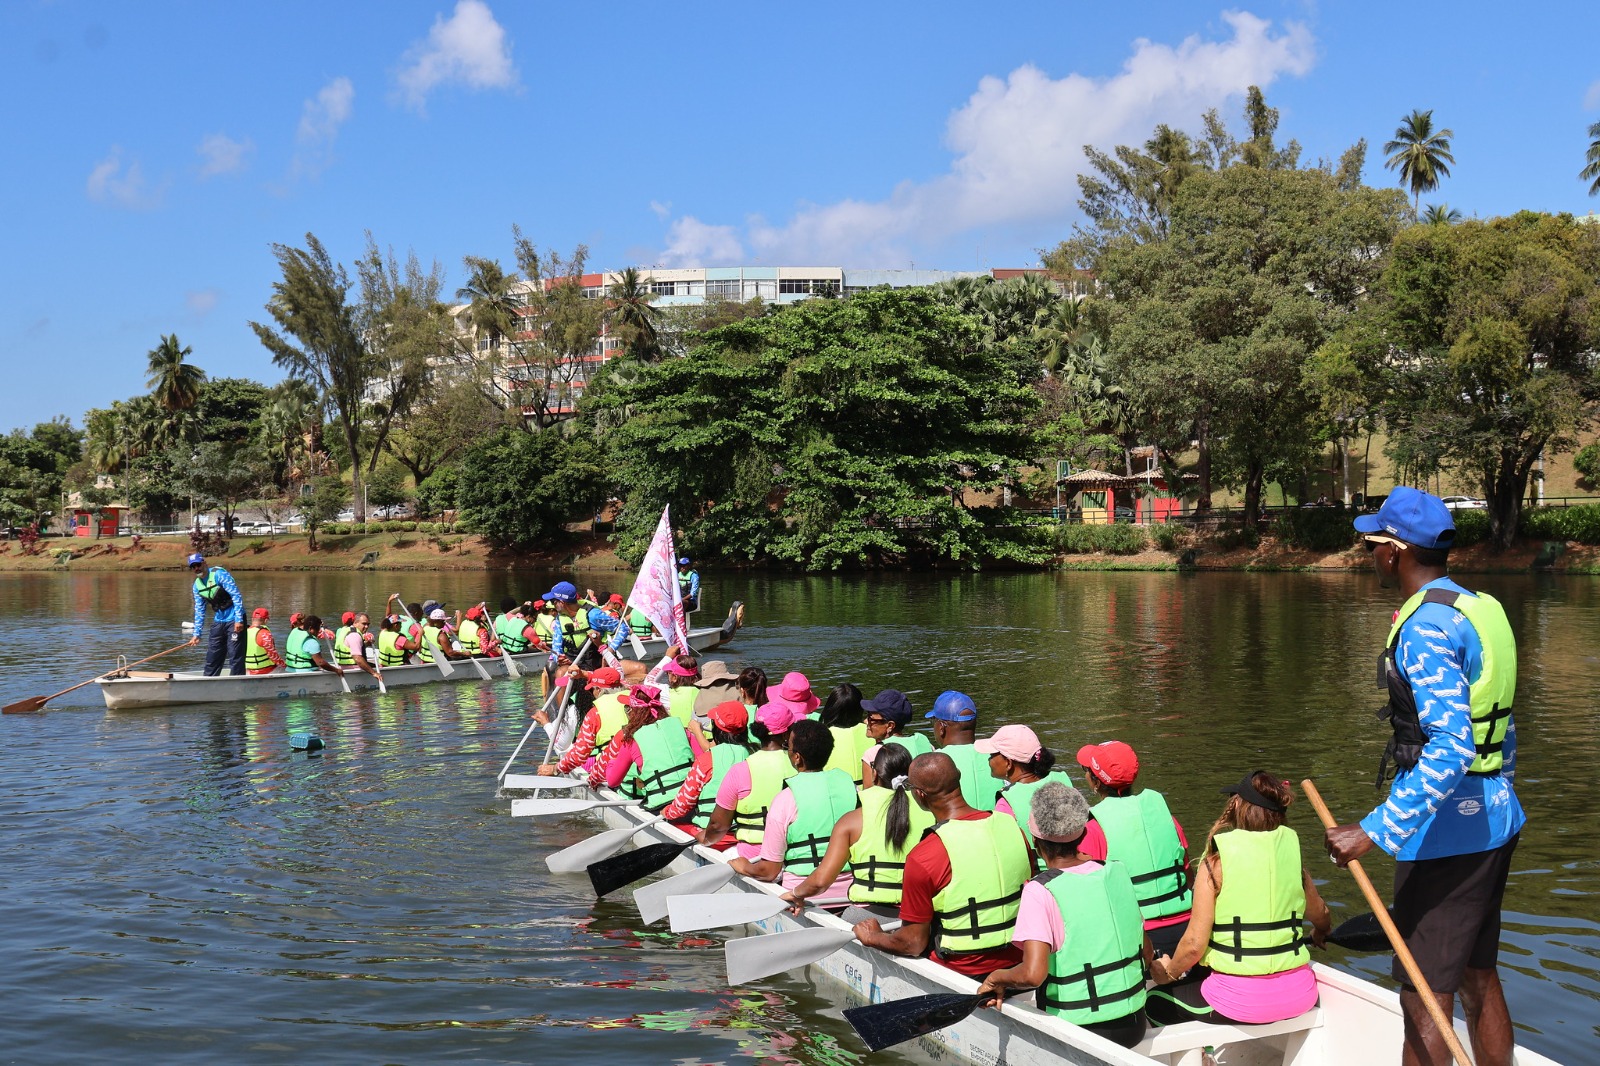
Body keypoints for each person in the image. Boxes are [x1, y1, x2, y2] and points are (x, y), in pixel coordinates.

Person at [1327, 486, 1525, 1066]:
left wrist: (1376, 830)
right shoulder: (1479, 607)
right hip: (1496, 815)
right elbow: (1500, 734)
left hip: (1448, 835)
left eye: (1372, 546)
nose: (1370, 557)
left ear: (1393, 552)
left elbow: (1451, 747)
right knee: (1475, 974)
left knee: (1422, 998)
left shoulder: (1423, 629)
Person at [978, 782, 1153, 1049]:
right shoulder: (1116, 871)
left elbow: (1032, 975)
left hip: (1079, 1030)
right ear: (1082, 833)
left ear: (1037, 842)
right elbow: (1147, 953)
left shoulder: (1040, 890)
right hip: (1134, 1024)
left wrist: (995, 978)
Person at [1148, 772, 1331, 1027]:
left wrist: (1168, 973)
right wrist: (1322, 931)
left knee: (1155, 1000)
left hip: (1238, 1002)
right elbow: (1320, 914)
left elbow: (1193, 944)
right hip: (1300, 997)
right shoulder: (1294, 863)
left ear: (1237, 807)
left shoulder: (1216, 864)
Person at [854, 752, 1032, 978]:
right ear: (958, 778)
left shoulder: (924, 855)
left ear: (919, 795)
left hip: (962, 968)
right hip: (1019, 961)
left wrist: (873, 937)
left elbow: (912, 943)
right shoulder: (1011, 826)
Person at [783, 743, 934, 912]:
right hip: (918, 914)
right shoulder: (932, 815)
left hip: (867, 914)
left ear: (874, 773)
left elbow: (820, 882)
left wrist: (796, 893)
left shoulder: (850, 822)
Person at [1076, 740, 1193, 957]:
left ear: (1096, 782)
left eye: (1087, 771)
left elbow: (1088, 897)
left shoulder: (1093, 829)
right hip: (1186, 928)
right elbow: (1187, 872)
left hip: (1139, 937)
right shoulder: (1167, 817)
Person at [731, 720, 860, 896]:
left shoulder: (785, 799)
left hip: (801, 893)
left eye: (788, 747)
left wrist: (744, 866)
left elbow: (769, 871)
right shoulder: (853, 789)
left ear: (797, 757)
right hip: (853, 889)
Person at [697, 702, 801, 859]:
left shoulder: (741, 769)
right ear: (788, 734)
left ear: (757, 732)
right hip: (793, 850)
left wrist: (705, 839)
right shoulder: (800, 766)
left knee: (705, 856)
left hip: (753, 853)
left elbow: (717, 826)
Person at [594, 685, 704, 811]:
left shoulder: (632, 741)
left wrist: (612, 762)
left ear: (634, 711)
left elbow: (613, 781)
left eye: (627, 708)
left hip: (663, 805)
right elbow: (703, 761)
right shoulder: (683, 731)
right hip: (693, 798)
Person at [660, 700, 755, 833]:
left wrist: (667, 812)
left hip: (711, 831)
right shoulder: (754, 754)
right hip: (745, 829)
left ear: (716, 729)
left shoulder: (707, 760)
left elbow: (683, 805)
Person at [984, 725, 1074, 850]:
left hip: (1036, 868)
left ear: (1008, 763)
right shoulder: (1063, 780)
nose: (989, 758)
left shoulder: (1006, 803)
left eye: (992, 754)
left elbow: (1002, 848)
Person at [537, 667, 629, 776]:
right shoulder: (637, 701)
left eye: (560, 687)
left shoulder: (589, 712)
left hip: (603, 766)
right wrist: (585, 674)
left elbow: (568, 748)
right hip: (630, 760)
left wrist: (546, 724)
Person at [928, 690, 1002, 811]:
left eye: (933, 721)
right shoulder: (998, 756)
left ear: (941, 727)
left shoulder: (933, 763)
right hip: (995, 825)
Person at [186, 552, 247, 676]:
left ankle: (237, 684)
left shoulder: (219, 575)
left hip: (234, 619)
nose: (196, 568)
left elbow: (236, 595)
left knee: (235, 655)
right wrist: (196, 634)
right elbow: (199, 610)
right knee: (213, 656)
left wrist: (239, 619)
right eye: (193, 567)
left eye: (198, 564)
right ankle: (208, 684)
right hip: (219, 620)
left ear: (204, 563)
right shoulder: (196, 586)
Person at [861, 690, 933, 786]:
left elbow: (870, 796)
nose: (865, 721)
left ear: (890, 725)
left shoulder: (872, 754)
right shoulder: (926, 745)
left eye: (871, 718)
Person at [817, 683, 872, 782]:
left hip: (837, 791)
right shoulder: (873, 732)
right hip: (868, 790)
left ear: (830, 709)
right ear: (860, 708)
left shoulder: (820, 737)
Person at [334, 613, 382, 682]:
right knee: (379, 666)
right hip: (352, 667)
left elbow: (351, 647)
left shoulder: (342, 630)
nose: (366, 626)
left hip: (341, 665)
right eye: (364, 624)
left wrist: (367, 644)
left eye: (368, 624)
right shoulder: (355, 635)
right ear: (355, 623)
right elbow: (358, 659)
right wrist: (374, 673)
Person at [244, 607, 285, 675]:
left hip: (248, 670)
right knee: (285, 668)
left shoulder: (245, 632)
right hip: (264, 670)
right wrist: (284, 664)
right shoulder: (264, 634)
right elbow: (273, 656)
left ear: (252, 619)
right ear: (265, 620)